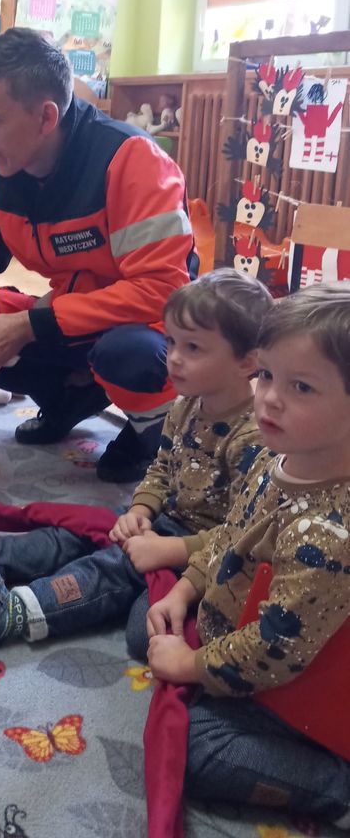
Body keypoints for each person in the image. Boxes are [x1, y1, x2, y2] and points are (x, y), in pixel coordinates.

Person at [0, 27, 197, 483]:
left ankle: (150, 433)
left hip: (146, 326)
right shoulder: (1, 170)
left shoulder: (133, 161)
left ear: (46, 117)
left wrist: (29, 324)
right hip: (67, 315)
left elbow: (162, 292)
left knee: (129, 356)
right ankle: (68, 399)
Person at [0, 269, 272, 653]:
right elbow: (162, 468)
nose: (174, 358)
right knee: (80, 532)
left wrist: (170, 551)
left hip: (206, 556)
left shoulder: (256, 439)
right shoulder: (186, 406)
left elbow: (244, 536)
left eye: (193, 348)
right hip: (165, 522)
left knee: (117, 571)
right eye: (171, 342)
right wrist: (141, 510)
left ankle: (12, 614)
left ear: (247, 361)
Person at [144, 282, 350, 828]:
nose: (269, 398)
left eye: (301, 387)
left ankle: (339, 791)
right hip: (248, 635)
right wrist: (185, 588)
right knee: (148, 633)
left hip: (304, 688)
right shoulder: (274, 457)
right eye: (267, 375)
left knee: (196, 749)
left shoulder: (328, 533)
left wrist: (190, 665)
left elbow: (277, 649)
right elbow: (231, 535)